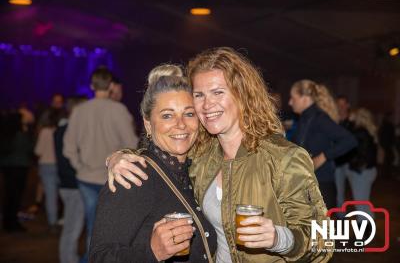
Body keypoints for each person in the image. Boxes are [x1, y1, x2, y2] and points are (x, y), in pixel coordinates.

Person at [106, 47, 332, 262]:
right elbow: (163, 148)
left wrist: (279, 239)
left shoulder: (284, 158)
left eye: (218, 92)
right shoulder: (203, 155)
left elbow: (323, 241)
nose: (207, 104)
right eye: (199, 95)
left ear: (242, 95)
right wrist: (119, 157)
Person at [89, 64, 217, 262]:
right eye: (167, 115)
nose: (181, 124)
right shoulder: (133, 177)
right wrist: (152, 252)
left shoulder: (196, 170)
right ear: (148, 124)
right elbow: (100, 257)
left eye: (189, 113)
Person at [63, 66, 139, 262]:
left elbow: (68, 146)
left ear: (91, 85)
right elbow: (132, 145)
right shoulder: (119, 110)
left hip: (86, 178)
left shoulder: (79, 111)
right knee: (111, 233)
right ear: (112, 86)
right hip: (113, 180)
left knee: (92, 229)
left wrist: (79, 166)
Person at [289, 80, 357, 209]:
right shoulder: (305, 118)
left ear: (305, 98)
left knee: (320, 229)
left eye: (293, 98)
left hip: (321, 185)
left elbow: (349, 140)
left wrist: (324, 156)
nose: (290, 102)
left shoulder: (319, 118)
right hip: (307, 184)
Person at [54, 96, 87, 263]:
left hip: (68, 184)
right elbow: (68, 160)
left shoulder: (64, 128)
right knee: (72, 229)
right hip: (72, 185)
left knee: (72, 228)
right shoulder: (68, 130)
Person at [0, 109, 35, 232]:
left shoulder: (9, 132)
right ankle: (12, 223)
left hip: (8, 166)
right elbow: (30, 148)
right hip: (19, 167)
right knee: (15, 196)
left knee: (9, 195)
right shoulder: (21, 134)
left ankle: (8, 222)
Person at [347, 108, 378, 221]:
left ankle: (363, 233)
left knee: (360, 204)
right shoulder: (370, 131)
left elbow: (346, 139)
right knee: (364, 202)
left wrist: (349, 122)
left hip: (361, 171)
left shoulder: (359, 132)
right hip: (369, 170)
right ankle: (369, 228)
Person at [35, 108, 60, 230]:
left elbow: (38, 151)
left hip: (46, 165)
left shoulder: (44, 132)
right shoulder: (59, 131)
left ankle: (52, 222)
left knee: (50, 195)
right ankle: (61, 218)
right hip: (59, 166)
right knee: (61, 195)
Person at [334, 95, 355, 210]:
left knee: (357, 194)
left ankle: (362, 220)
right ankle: (341, 218)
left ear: (348, 105)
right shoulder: (332, 122)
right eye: (338, 105)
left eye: (343, 104)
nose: (341, 107)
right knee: (339, 194)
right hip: (338, 163)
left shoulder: (354, 122)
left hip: (352, 163)